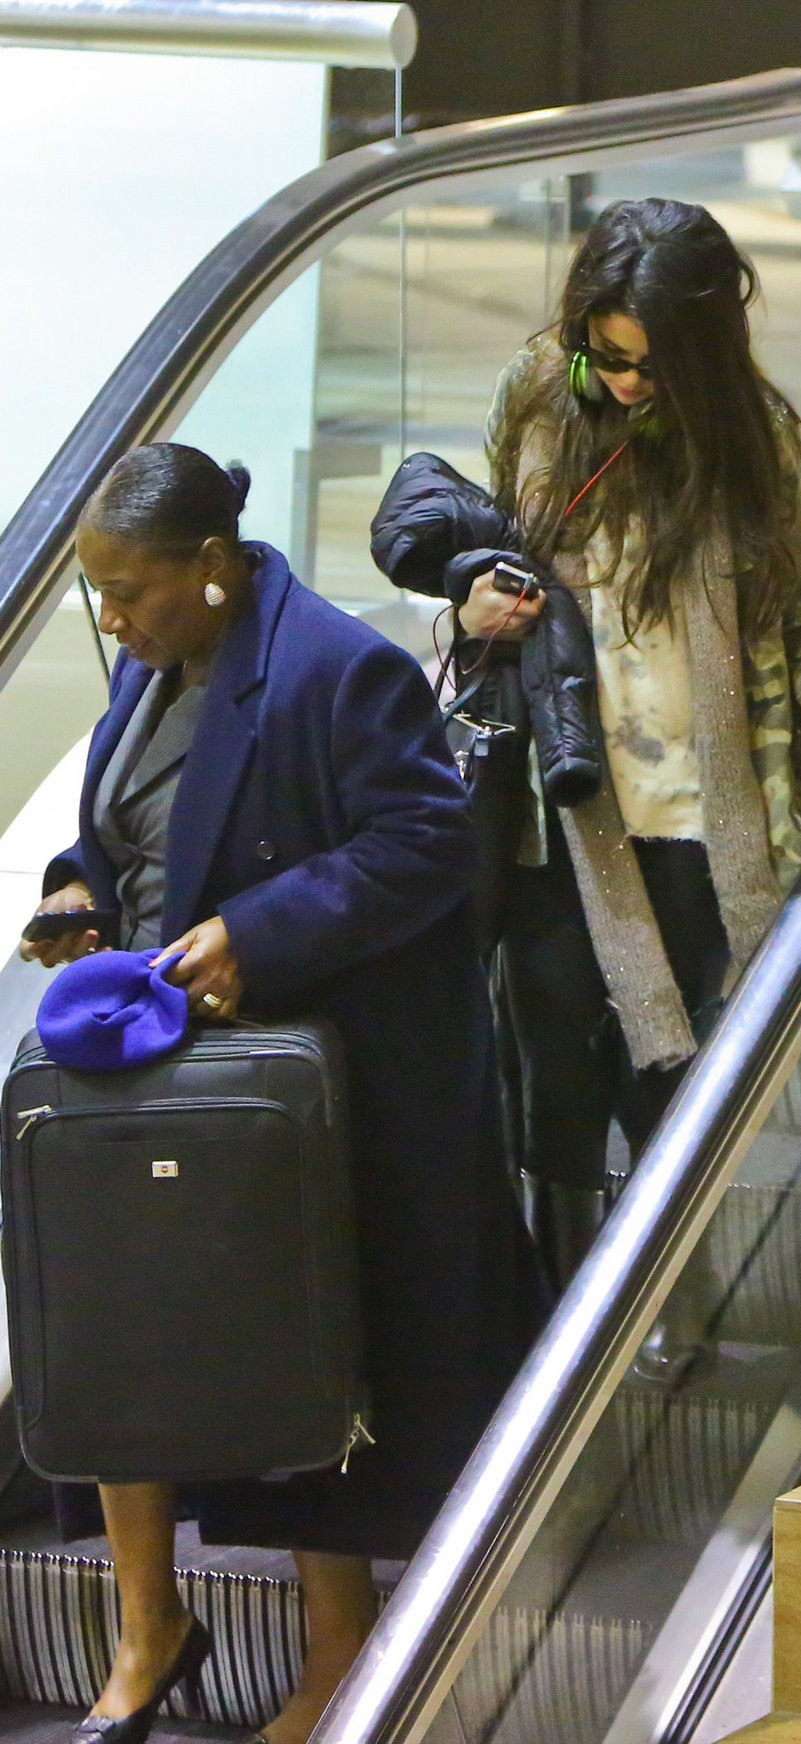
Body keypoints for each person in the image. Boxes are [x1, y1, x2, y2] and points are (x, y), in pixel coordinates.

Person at [20, 444, 542, 1744]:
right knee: (108, 1326)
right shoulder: (153, 663)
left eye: (129, 591)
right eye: (98, 593)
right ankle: (149, 1628)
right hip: (164, 1062)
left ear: (211, 568)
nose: (112, 618)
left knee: (319, 1366)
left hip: (312, 1085)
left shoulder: (332, 666)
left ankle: (340, 1663)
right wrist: (78, 894)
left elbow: (426, 846)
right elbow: (134, 827)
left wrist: (256, 934)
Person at [458, 198, 801, 1302]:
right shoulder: (538, 393)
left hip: (694, 811)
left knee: (674, 1074)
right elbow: (483, 554)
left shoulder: (750, 435)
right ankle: (560, 1319)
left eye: (651, 365)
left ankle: (667, 1303)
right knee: (550, 1076)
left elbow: (797, 610)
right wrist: (474, 606)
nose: (626, 385)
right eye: (608, 358)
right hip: (559, 806)